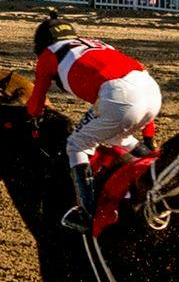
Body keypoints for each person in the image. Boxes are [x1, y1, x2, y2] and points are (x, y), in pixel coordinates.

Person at [27, 14, 162, 231]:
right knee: (119, 137)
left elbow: (35, 107)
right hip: (151, 91)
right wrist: (149, 139)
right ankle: (160, 168)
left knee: (76, 143)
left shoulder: (48, 55)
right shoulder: (96, 43)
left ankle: (87, 213)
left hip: (119, 97)